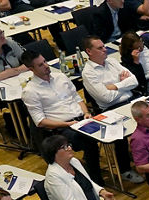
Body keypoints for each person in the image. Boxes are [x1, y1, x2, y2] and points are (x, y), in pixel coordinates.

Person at [20, 52, 111, 184]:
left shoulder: (60, 77)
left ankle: (121, 168)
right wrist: (67, 124)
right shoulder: (30, 91)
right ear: (31, 69)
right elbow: (40, 122)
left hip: (81, 119)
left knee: (110, 127)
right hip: (60, 128)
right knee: (89, 141)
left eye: (45, 61)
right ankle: (95, 181)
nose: (46, 66)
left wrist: (86, 112)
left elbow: (77, 98)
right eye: (40, 65)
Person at [40, 134, 121, 200]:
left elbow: (88, 182)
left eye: (68, 145)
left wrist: (102, 191)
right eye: (64, 147)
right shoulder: (53, 177)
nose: (69, 148)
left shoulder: (74, 161)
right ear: (54, 153)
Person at [81, 37, 136, 111]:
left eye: (104, 46)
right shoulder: (88, 73)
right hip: (114, 108)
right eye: (100, 48)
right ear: (89, 51)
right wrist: (125, 85)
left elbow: (134, 81)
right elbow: (107, 98)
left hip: (133, 99)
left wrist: (114, 86)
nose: (105, 49)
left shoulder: (112, 61)